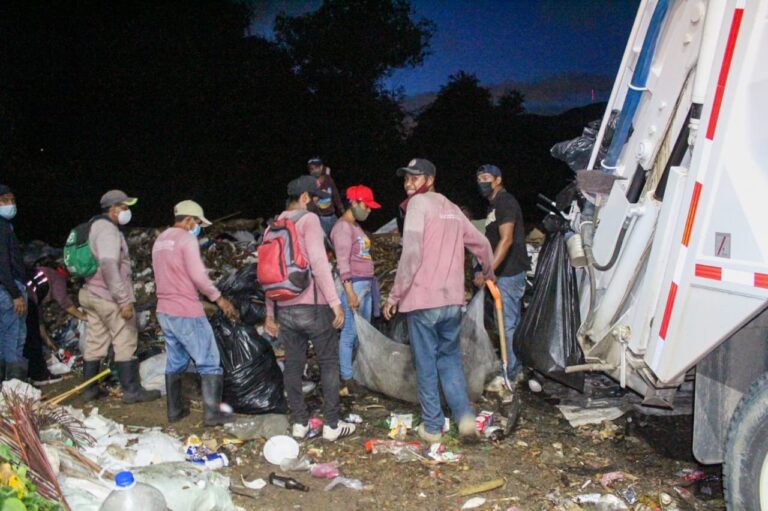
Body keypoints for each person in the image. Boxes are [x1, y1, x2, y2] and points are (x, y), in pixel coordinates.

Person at [383, 159, 495, 444]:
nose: (409, 183)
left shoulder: (418, 206)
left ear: (430, 180)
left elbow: (411, 254)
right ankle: (465, 419)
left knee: (426, 364)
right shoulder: (452, 209)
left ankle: (432, 427)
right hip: (452, 302)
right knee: (449, 361)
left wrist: (395, 295)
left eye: (415, 178)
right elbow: (482, 244)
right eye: (406, 179)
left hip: (423, 301)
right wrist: (488, 272)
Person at [264, 175, 356, 442]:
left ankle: (300, 423)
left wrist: (270, 313)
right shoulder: (308, 220)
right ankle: (331, 425)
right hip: (314, 306)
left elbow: (267, 274)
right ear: (304, 197)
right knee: (328, 362)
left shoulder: (272, 227)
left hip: (285, 309)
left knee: (293, 364)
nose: (317, 202)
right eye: (314, 198)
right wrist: (335, 303)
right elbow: (319, 263)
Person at [152, 200, 239, 425]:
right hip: (186, 310)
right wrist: (219, 299)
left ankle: (175, 411)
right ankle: (212, 414)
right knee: (209, 360)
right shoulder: (187, 239)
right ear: (189, 220)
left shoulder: (160, 240)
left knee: (176, 360)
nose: (198, 227)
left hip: (165, 310)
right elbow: (198, 276)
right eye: (198, 223)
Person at [79, 190, 160, 403]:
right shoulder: (107, 230)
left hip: (91, 291)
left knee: (96, 340)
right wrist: (123, 300)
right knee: (125, 338)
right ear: (113, 209)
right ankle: (132, 391)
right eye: (124, 207)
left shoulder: (92, 226)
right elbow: (108, 265)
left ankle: (89, 389)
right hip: (108, 296)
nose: (127, 211)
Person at [474, 165, 530, 383]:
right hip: (500, 273)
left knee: (508, 324)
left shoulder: (506, 201)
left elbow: (506, 240)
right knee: (504, 322)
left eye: (486, 178)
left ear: (497, 180)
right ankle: (513, 364)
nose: (482, 182)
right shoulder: (493, 206)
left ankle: (511, 372)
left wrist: (489, 271)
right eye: (479, 179)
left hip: (510, 272)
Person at [330, 185, 381, 394]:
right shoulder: (342, 228)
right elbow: (343, 263)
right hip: (354, 286)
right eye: (365, 206)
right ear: (354, 202)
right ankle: (347, 377)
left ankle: (357, 373)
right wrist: (350, 292)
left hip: (365, 285)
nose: (368, 210)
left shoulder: (355, 226)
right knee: (349, 333)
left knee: (361, 333)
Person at [25, 262, 87, 385]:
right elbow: (64, 302)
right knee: (32, 341)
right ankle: (39, 376)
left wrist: (49, 342)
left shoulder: (40, 273)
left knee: (25, 338)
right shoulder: (57, 278)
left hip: (19, 297)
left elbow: (38, 320)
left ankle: (27, 374)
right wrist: (83, 316)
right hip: (24, 300)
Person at [0, 185, 28, 381]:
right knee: (14, 336)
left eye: (12, 200)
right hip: (8, 289)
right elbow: (3, 263)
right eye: (5, 200)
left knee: (3, 336)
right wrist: (15, 294)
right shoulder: (2, 227)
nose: (10, 204)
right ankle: (14, 386)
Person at [307, 157, 344, 237]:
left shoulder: (328, 179)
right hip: (320, 219)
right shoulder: (309, 184)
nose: (314, 170)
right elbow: (307, 205)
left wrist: (342, 209)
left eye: (316, 168)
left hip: (333, 216)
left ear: (321, 167)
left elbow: (336, 195)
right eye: (311, 169)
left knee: (339, 236)